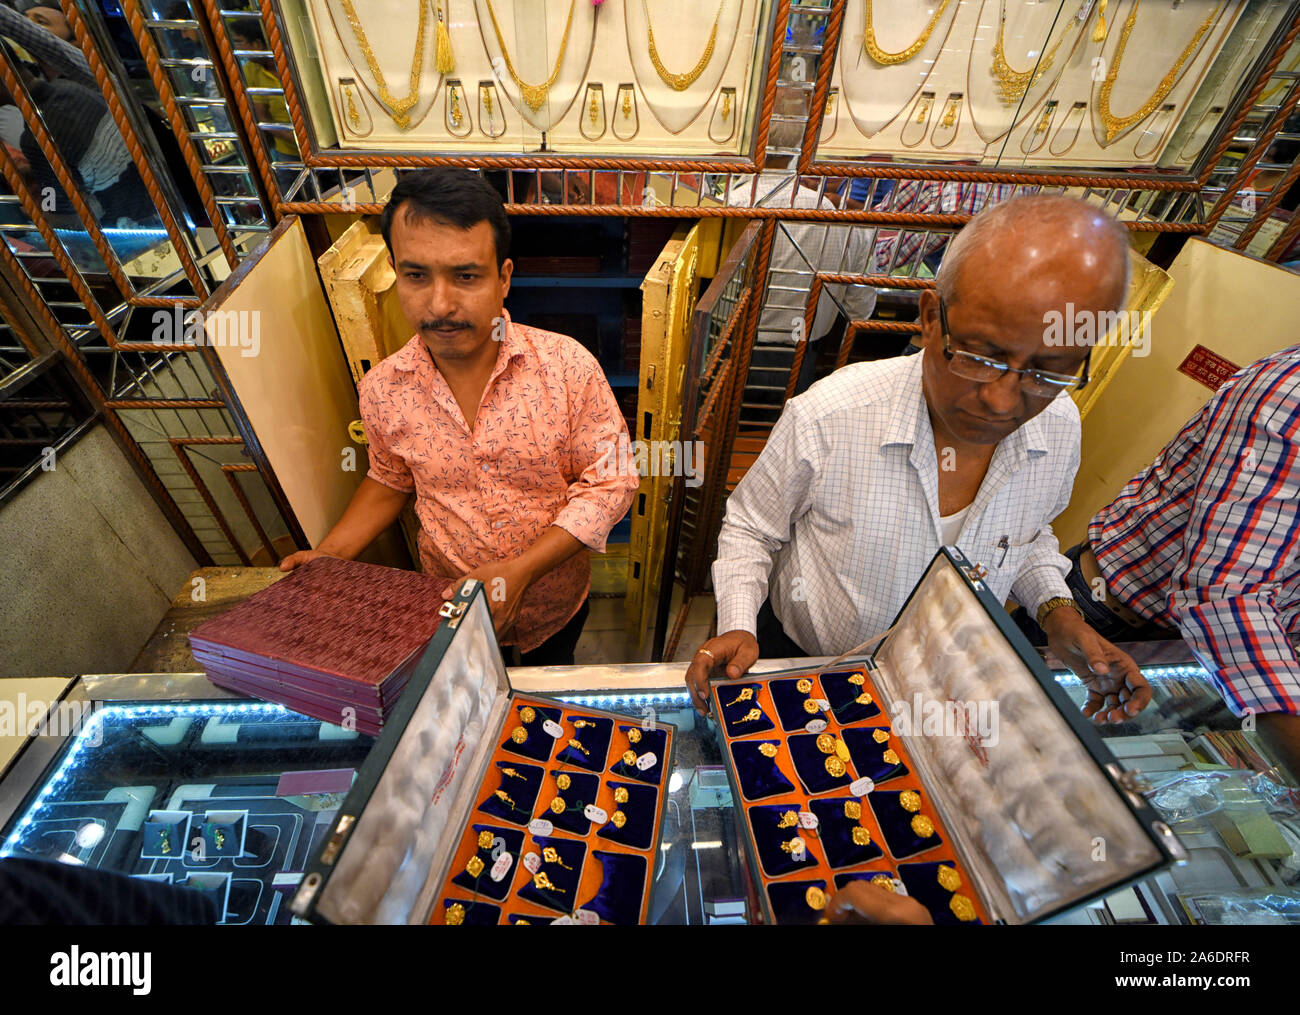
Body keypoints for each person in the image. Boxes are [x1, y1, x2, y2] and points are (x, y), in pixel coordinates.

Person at [686, 194, 1152, 723]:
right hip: (806, 663)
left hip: (941, 685)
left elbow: (1027, 538)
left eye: (1048, 371)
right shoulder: (831, 415)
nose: (1002, 401)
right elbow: (752, 527)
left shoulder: (1060, 426)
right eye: (980, 356)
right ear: (931, 318)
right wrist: (739, 622)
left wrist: (1058, 612)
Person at [280, 168, 638, 666]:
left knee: (539, 710)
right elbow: (389, 478)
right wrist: (332, 555)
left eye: (466, 276)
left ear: (504, 277)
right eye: (417, 275)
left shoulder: (568, 366)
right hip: (447, 604)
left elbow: (612, 483)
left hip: (553, 604)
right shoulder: (383, 387)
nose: (440, 305)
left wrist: (524, 570)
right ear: (395, 272)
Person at [1018, 344, 1300, 778]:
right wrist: (1060, 614)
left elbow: (1025, 536)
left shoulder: (1057, 422)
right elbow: (1223, 594)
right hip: (1109, 616)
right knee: (1011, 757)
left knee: (1108, 785)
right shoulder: (1288, 396)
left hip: (1199, 655)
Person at [726, 159, 877, 395]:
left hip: (727, 348)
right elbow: (859, 309)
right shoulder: (851, 221)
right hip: (800, 355)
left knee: (716, 429)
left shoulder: (730, 203)